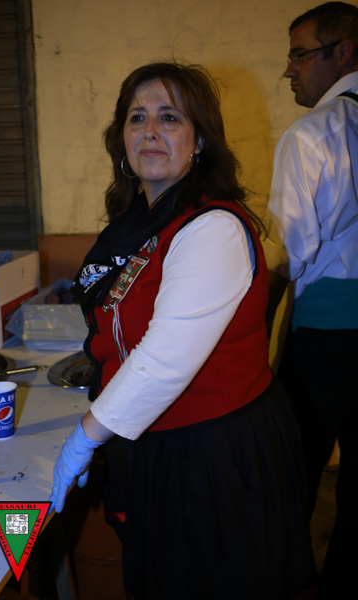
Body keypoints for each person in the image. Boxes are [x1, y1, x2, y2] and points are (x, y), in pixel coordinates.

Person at [49, 61, 316, 599]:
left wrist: (84, 437)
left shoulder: (212, 227)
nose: (149, 130)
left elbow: (164, 356)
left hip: (213, 457)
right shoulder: (136, 229)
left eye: (169, 117)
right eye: (137, 117)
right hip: (154, 443)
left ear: (200, 141)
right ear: (121, 139)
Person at [263, 3, 358, 598]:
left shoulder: (311, 135)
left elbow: (288, 253)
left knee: (289, 470)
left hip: (327, 339)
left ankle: (287, 583)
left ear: (342, 52)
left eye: (300, 55)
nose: (289, 70)